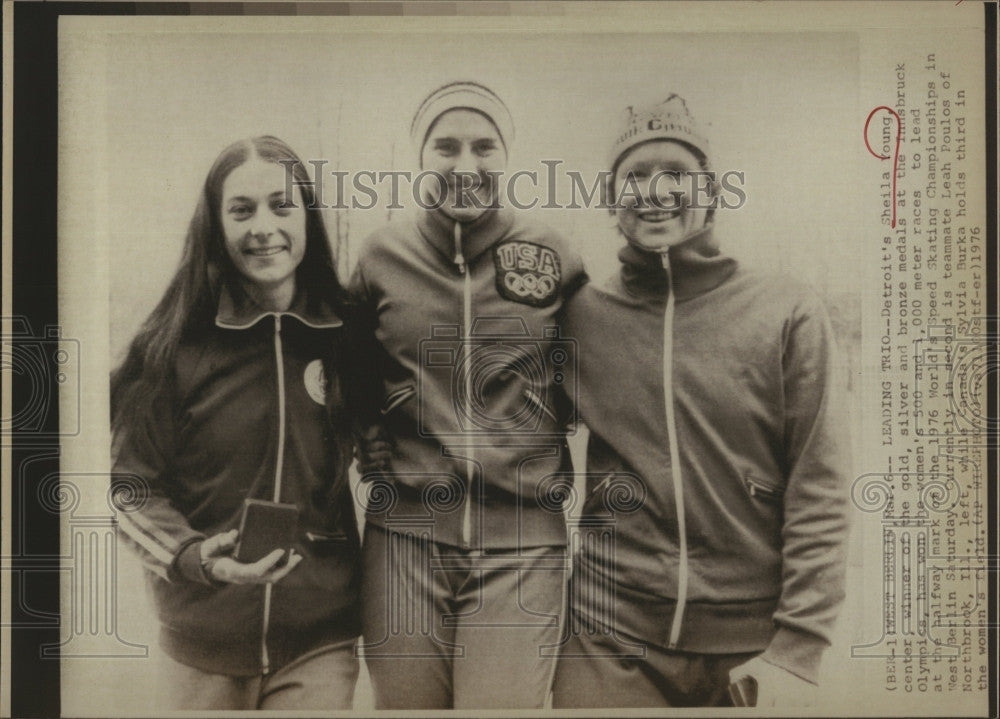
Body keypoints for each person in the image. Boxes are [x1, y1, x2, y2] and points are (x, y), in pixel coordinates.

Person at [551, 95, 850, 708]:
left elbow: (819, 487)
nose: (654, 190)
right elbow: (512, 426)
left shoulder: (786, 310)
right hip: (609, 637)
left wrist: (798, 646)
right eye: (633, 176)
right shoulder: (581, 316)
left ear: (710, 191)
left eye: (675, 173)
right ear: (611, 199)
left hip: (750, 643)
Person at [349, 81, 587, 709]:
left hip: (522, 543)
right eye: (445, 146)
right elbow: (345, 371)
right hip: (404, 540)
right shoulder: (380, 257)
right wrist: (363, 433)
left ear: (506, 156)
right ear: (420, 156)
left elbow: (600, 376)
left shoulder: (553, 254)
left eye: (484, 147)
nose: (465, 165)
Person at [111, 136, 361, 710]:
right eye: (241, 210)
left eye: (281, 205)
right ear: (215, 225)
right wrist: (193, 555)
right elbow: (126, 486)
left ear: (307, 217)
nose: (263, 227)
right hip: (201, 645)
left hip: (320, 641)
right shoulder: (169, 348)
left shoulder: (347, 337)